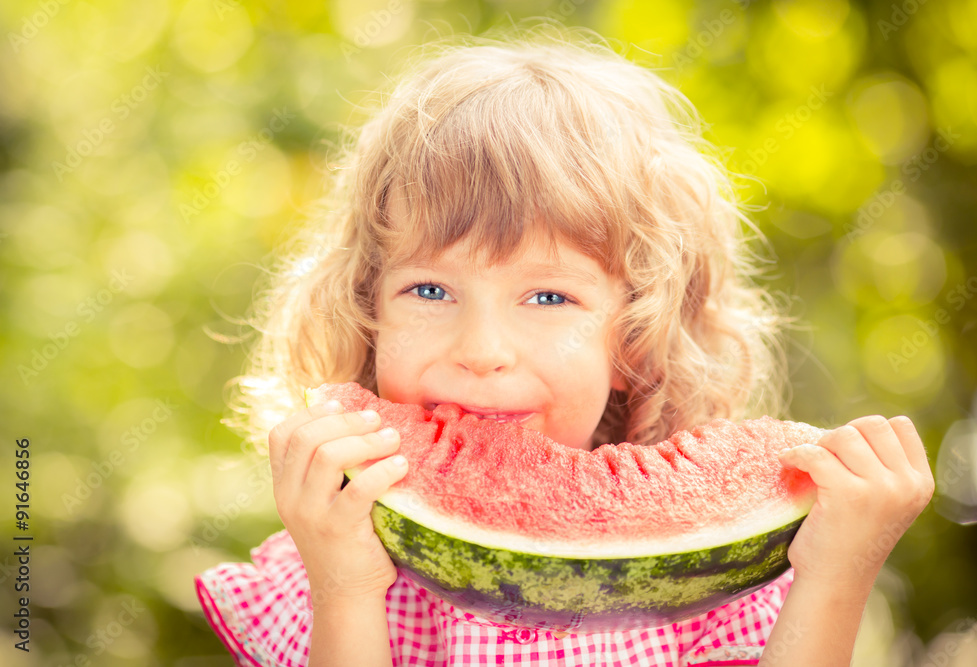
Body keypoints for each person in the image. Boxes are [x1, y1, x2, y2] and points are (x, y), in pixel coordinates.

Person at [194, 24, 935, 667]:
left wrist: (836, 576)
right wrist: (346, 587)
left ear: (638, 337)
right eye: (429, 290)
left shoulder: (711, 587)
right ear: (366, 311)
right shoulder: (321, 559)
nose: (481, 349)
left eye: (549, 297)